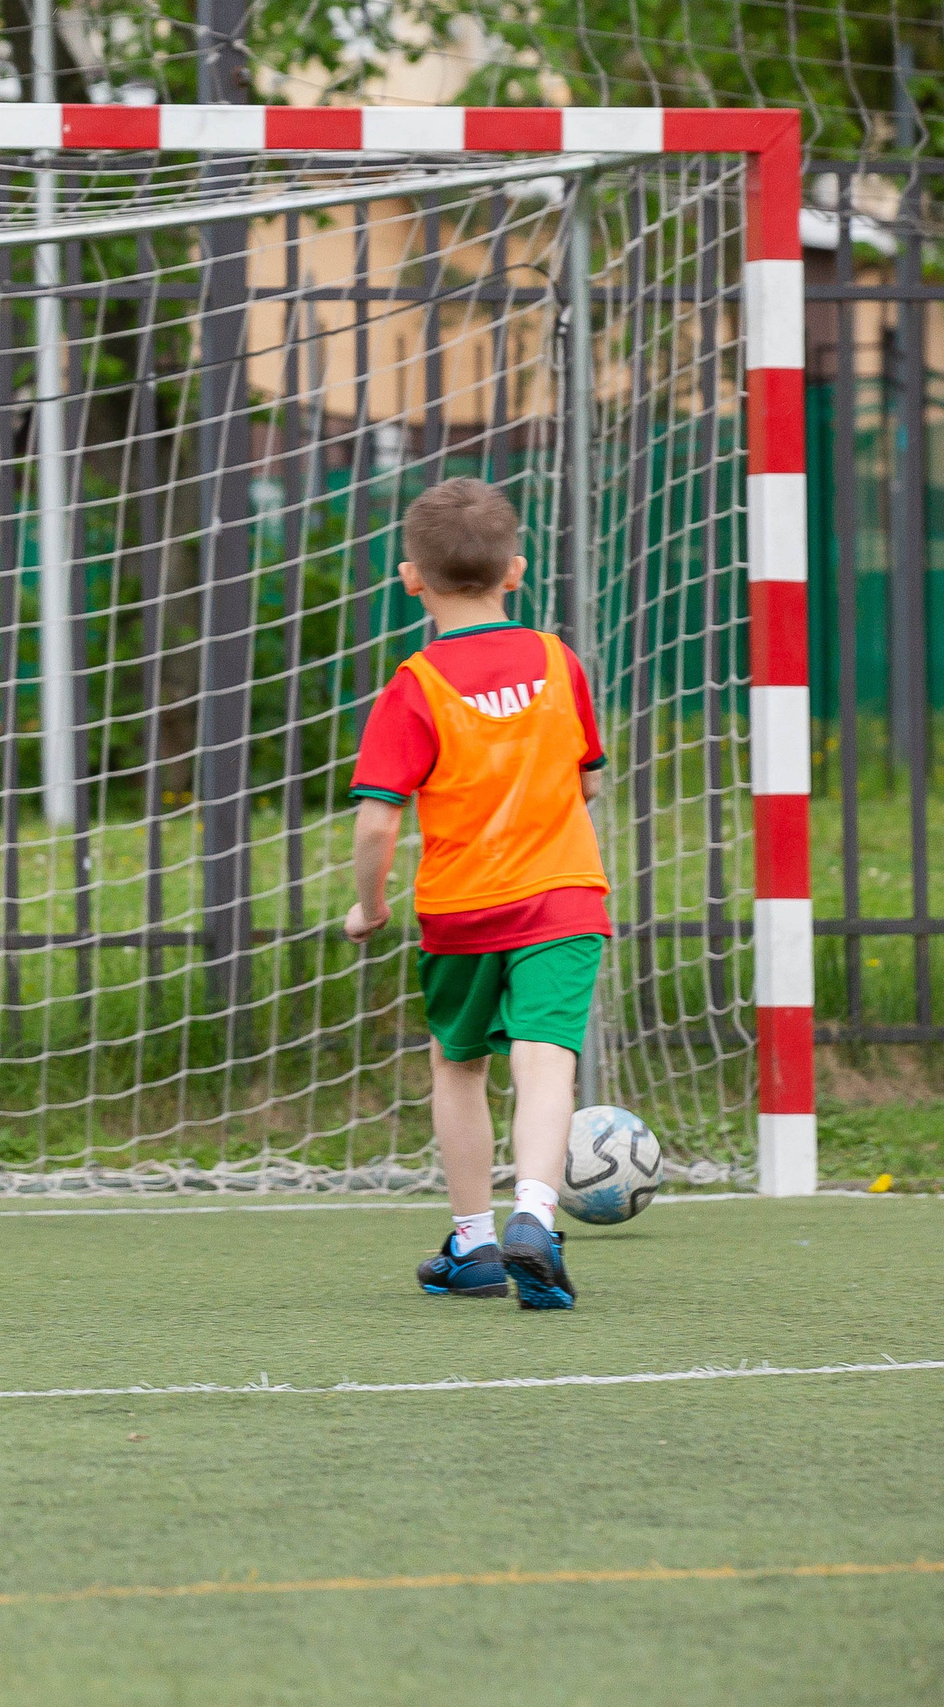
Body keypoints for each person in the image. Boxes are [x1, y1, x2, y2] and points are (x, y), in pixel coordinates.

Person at [342, 478, 611, 1311]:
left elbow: (377, 824)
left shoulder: (415, 684)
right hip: (563, 897)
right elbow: (590, 783)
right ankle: (537, 1211)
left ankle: (475, 1239)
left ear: (410, 578)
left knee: (458, 1065)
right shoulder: (557, 662)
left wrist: (371, 905)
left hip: (462, 909)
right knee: (545, 1058)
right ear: (517, 571)